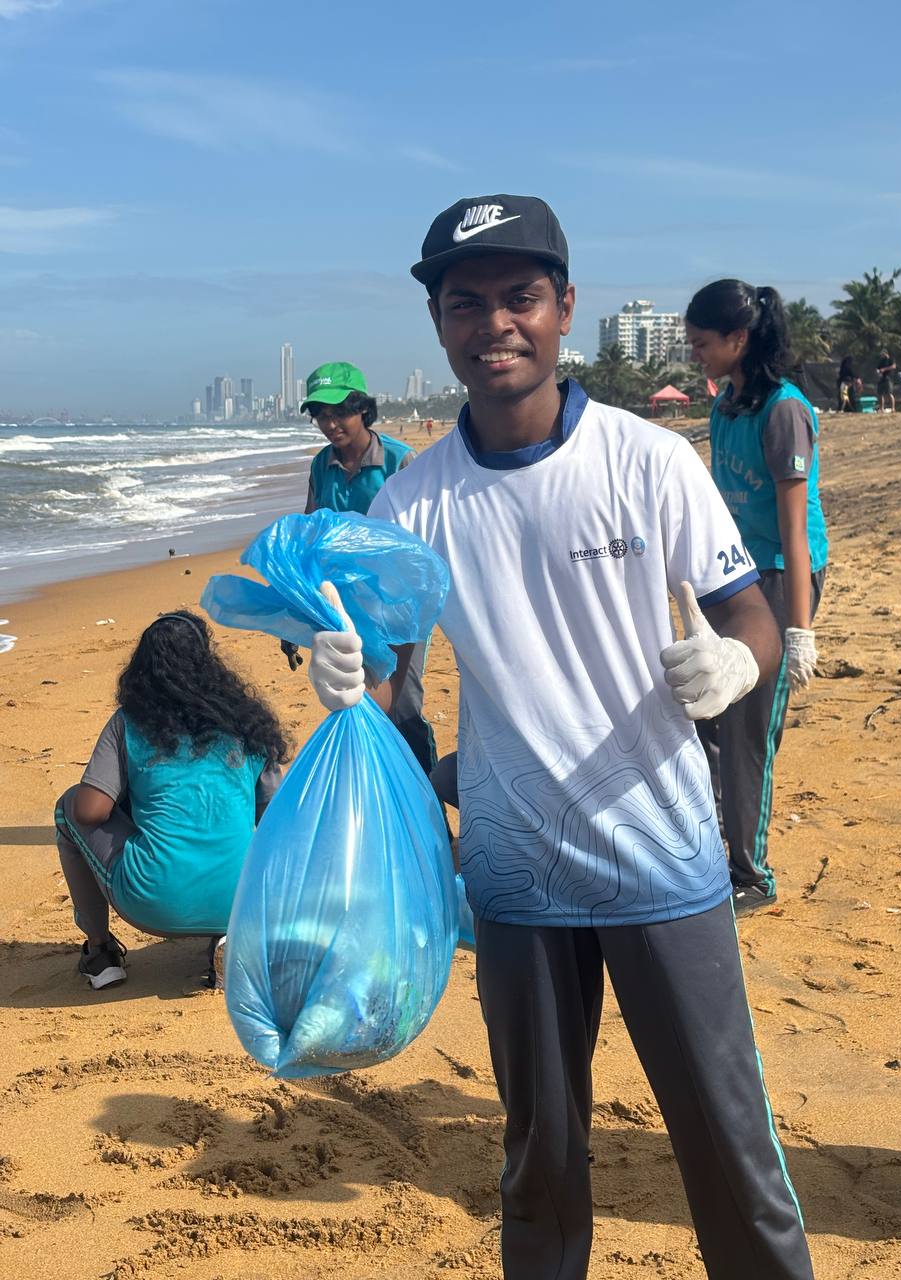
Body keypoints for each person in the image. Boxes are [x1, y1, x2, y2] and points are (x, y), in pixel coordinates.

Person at [306, 195, 815, 1280]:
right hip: (514, 872)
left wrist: (738, 662)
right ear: (440, 322)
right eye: (467, 301)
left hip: (665, 860)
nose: (497, 322)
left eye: (521, 297)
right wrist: (344, 683)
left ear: (564, 307)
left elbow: (750, 611)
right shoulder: (409, 504)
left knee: (729, 1144)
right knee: (538, 1156)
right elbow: (394, 678)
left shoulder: (650, 461)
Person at [685, 281, 829, 916]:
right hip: (731, 574)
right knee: (705, 716)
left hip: (777, 577)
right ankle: (710, 849)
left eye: (703, 344)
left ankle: (753, 875)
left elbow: (795, 534)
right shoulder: (726, 406)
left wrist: (798, 630)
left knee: (747, 728)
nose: (695, 355)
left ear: (738, 340)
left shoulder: (783, 412)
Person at [54, 612, 288, 990]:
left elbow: (90, 811)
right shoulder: (246, 724)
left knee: (68, 807)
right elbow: (277, 814)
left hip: (151, 902)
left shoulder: (130, 722)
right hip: (244, 897)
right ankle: (229, 935)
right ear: (209, 663)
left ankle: (100, 952)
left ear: (142, 668)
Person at [279, 361, 439, 778]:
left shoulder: (401, 463)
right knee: (356, 700)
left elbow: (422, 548)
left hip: (399, 607)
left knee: (402, 705)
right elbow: (310, 538)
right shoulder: (321, 466)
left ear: (362, 410)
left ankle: (427, 808)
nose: (330, 424)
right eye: (321, 415)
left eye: (339, 413)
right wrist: (296, 611)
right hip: (347, 609)